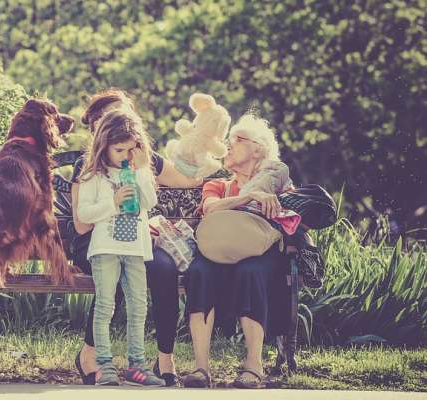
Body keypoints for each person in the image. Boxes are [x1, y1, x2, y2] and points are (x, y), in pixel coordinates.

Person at [72, 89, 202, 386]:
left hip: (135, 242)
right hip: (99, 241)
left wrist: (216, 182)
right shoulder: (89, 167)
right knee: (111, 288)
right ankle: (95, 357)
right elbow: (82, 223)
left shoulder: (142, 161)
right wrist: (114, 203)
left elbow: (177, 188)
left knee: (157, 278)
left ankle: (154, 360)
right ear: (100, 129)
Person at [182, 113, 291, 389]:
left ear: (258, 148)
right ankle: (201, 368)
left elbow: (293, 218)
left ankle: (253, 367)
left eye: (237, 140)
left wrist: (274, 199)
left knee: (251, 271)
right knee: (199, 272)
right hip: (218, 250)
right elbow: (209, 208)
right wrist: (250, 196)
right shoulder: (218, 184)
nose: (228, 145)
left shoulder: (277, 181)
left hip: (260, 253)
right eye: (228, 140)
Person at [77, 108, 163, 386]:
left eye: (131, 149)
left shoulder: (140, 173)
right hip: (105, 250)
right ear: (104, 147)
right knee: (105, 306)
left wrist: (140, 172)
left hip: (136, 250)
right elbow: (85, 215)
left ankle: (136, 365)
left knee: (138, 306)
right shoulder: (94, 176)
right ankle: (104, 365)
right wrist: (112, 203)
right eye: (119, 150)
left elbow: (149, 202)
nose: (125, 155)